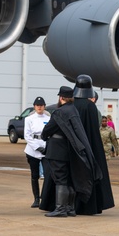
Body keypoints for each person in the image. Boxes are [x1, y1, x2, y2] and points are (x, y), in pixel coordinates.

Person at [39, 85, 98, 217]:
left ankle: (60, 209)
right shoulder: (73, 110)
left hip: (57, 151)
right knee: (68, 179)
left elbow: (48, 130)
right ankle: (70, 208)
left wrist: (44, 135)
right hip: (68, 150)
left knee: (60, 179)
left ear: (61, 98)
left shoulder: (59, 112)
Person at [70, 74, 114, 214]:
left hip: (72, 147)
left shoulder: (71, 105)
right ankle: (90, 205)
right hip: (89, 146)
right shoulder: (90, 106)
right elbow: (93, 129)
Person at [23, 96, 49, 207]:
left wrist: (46, 147)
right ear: (34, 106)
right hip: (33, 148)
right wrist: (36, 147)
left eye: (41, 105)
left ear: (44, 106)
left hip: (45, 147)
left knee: (48, 175)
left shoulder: (49, 118)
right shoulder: (29, 119)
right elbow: (27, 136)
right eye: (37, 105)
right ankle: (36, 198)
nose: (39, 107)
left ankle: (45, 197)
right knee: (35, 175)